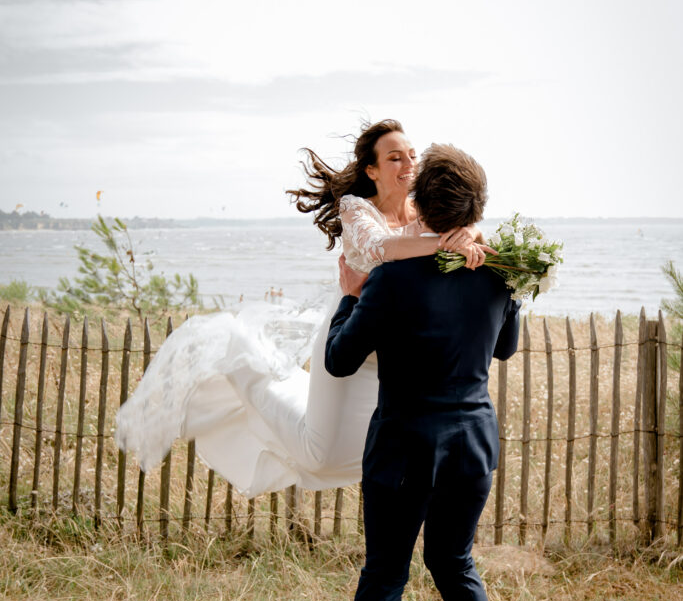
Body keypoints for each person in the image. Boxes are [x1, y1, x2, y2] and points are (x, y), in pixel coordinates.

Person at [115, 120, 485, 497]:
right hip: (349, 336)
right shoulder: (356, 208)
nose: (408, 163)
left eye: (411, 155)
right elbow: (379, 249)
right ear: (371, 170)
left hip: (397, 353)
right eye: (394, 157)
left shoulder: (426, 212)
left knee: (374, 448)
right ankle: (243, 365)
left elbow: (471, 229)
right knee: (320, 455)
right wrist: (444, 244)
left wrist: (469, 234)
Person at [325, 143, 520, 601]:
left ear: (420, 202)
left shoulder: (392, 277)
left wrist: (351, 295)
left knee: (385, 570)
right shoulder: (498, 271)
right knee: (454, 562)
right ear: (475, 205)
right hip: (472, 444)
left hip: (404, 444)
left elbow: (339, 360)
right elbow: (506, 346)